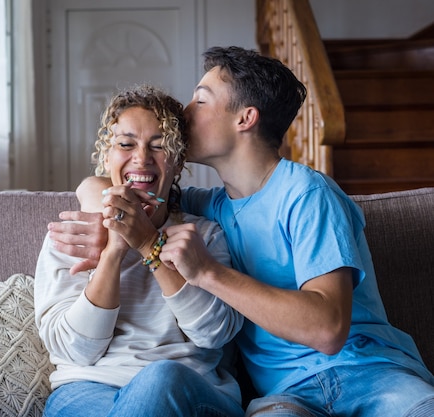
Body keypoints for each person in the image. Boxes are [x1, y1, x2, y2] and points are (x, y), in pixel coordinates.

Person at [47, 47, 434, 416]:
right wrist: (108, 216)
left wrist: (208, 272)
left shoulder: (307, 194)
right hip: (285, 395)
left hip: (367, 371)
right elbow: (131, 185)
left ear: (245, 119)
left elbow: (328, 329)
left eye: (200, 100)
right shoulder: (211, 205)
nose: (183, 112)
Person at [34, 84, 245, 417]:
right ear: (106, 157)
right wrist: (113, 251)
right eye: (126, 144)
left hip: (187, 389)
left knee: (160, 378)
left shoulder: (205, 234)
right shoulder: (73, 235)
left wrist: (150, 244)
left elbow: (213, 334)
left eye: (159, 146)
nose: (141, 158)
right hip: (87, 391)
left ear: (177, 164)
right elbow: (75, 351)